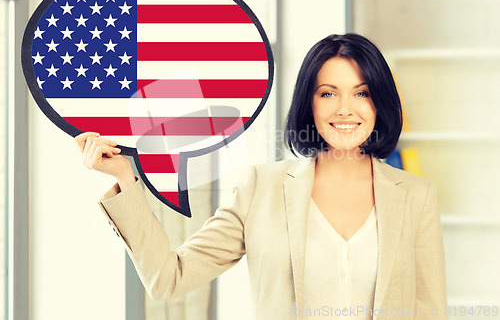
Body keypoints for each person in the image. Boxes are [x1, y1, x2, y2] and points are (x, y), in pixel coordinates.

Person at [76, 33, 448, 319]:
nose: (345, 109)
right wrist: (127, 179)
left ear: (378, 102)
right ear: (309, 102)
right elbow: (167, 277)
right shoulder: (260, 188)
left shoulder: (416, 196)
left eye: (361, 93)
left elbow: (431, 310)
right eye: (328, 93)